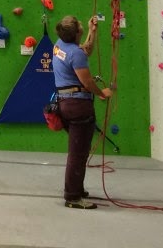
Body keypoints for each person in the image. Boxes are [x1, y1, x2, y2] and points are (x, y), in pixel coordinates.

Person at [53, 14, 113, 210]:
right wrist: (102, 93)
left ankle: (76, 188)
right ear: (77, 32)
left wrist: (92, 32)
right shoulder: (74, 53)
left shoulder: (60, 45)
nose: (82, 26)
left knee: (77, 150)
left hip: (65, 103)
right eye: (81, 26)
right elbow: (87, 82)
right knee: (78, 153)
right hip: (78, 106)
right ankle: (72, 196)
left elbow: (83, 50)